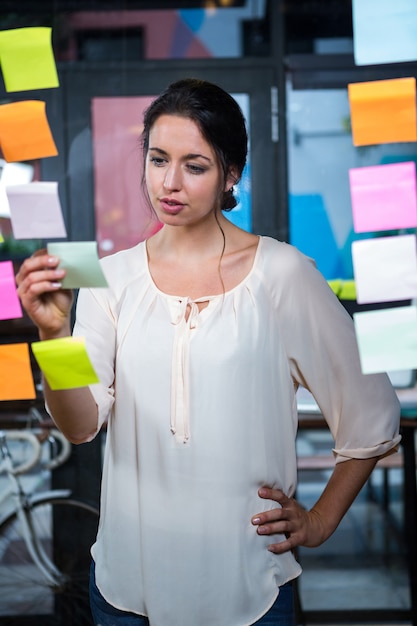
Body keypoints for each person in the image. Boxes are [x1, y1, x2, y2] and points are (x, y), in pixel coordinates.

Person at [16, 78, 401, 626]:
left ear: (231, 174)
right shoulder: (111, 278)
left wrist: (318, 522)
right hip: (128, 592)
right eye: (157, 159)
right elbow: (80, 424)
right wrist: (53, 338)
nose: (169, 183)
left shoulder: (281, 275)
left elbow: (370, 408)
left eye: (195, 166)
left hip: (251, 588)